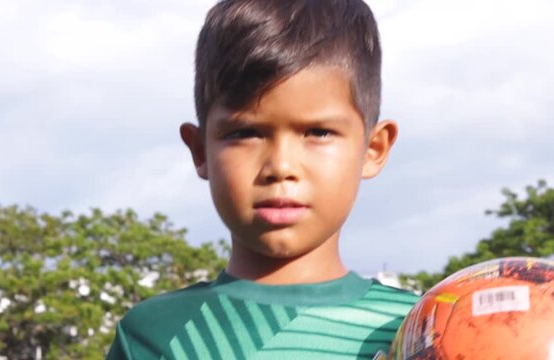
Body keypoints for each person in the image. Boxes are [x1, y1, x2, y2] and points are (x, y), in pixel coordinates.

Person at [107, 0, 418, 358]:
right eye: (246, 133)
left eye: (317, 132)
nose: (280, 166)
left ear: (373, 148)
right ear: (200, 150)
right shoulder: (154, 335)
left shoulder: (418, 331)